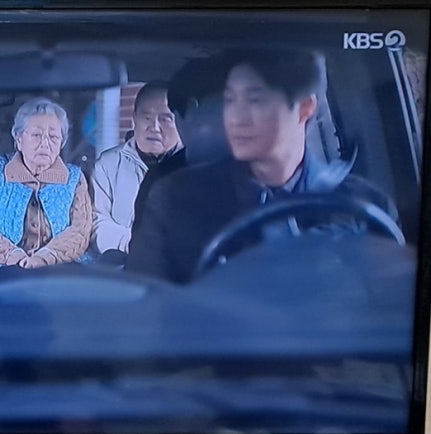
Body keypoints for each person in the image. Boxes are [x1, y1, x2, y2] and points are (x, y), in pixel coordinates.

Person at [126, 48, 398, 284]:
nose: (236, 118)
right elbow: (148, 302)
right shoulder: (176, 199)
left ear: (304, 109)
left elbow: (387, 305)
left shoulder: (364, 207)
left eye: (255, 100)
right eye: (230, 101)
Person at [0, 97, 92, 277]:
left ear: (62, 143)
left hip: (61, 269)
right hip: (4, 268)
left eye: (53, 136)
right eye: (36, 135)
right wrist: (14, 256)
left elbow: (80, 231)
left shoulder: (74, 178)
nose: (45, 143)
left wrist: (45, 257)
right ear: (19, 139)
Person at [91, 81, 184, 259]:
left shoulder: (193, 164)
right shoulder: (108, 165)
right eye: (146, 118)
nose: (154, 128)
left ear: (180, 121)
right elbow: (97, 223)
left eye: (165, 119)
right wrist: (139, 246)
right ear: (134, 119)